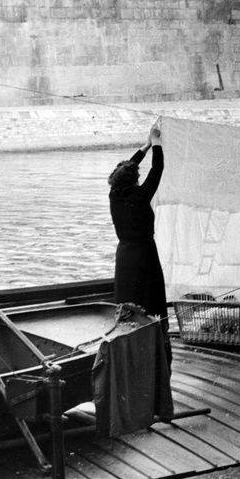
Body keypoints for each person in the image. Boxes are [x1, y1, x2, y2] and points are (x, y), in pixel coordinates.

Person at [108, 125, 171, 366]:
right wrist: (156, 144)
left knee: (129, 303)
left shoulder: (114, 195)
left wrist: (145, 146)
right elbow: (158, 169)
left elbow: (124, 168)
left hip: (124, 256)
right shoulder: (140, 196)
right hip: (144, 254)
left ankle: (129, 348)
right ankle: (157, 348)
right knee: (152, 301)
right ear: (133, 180)